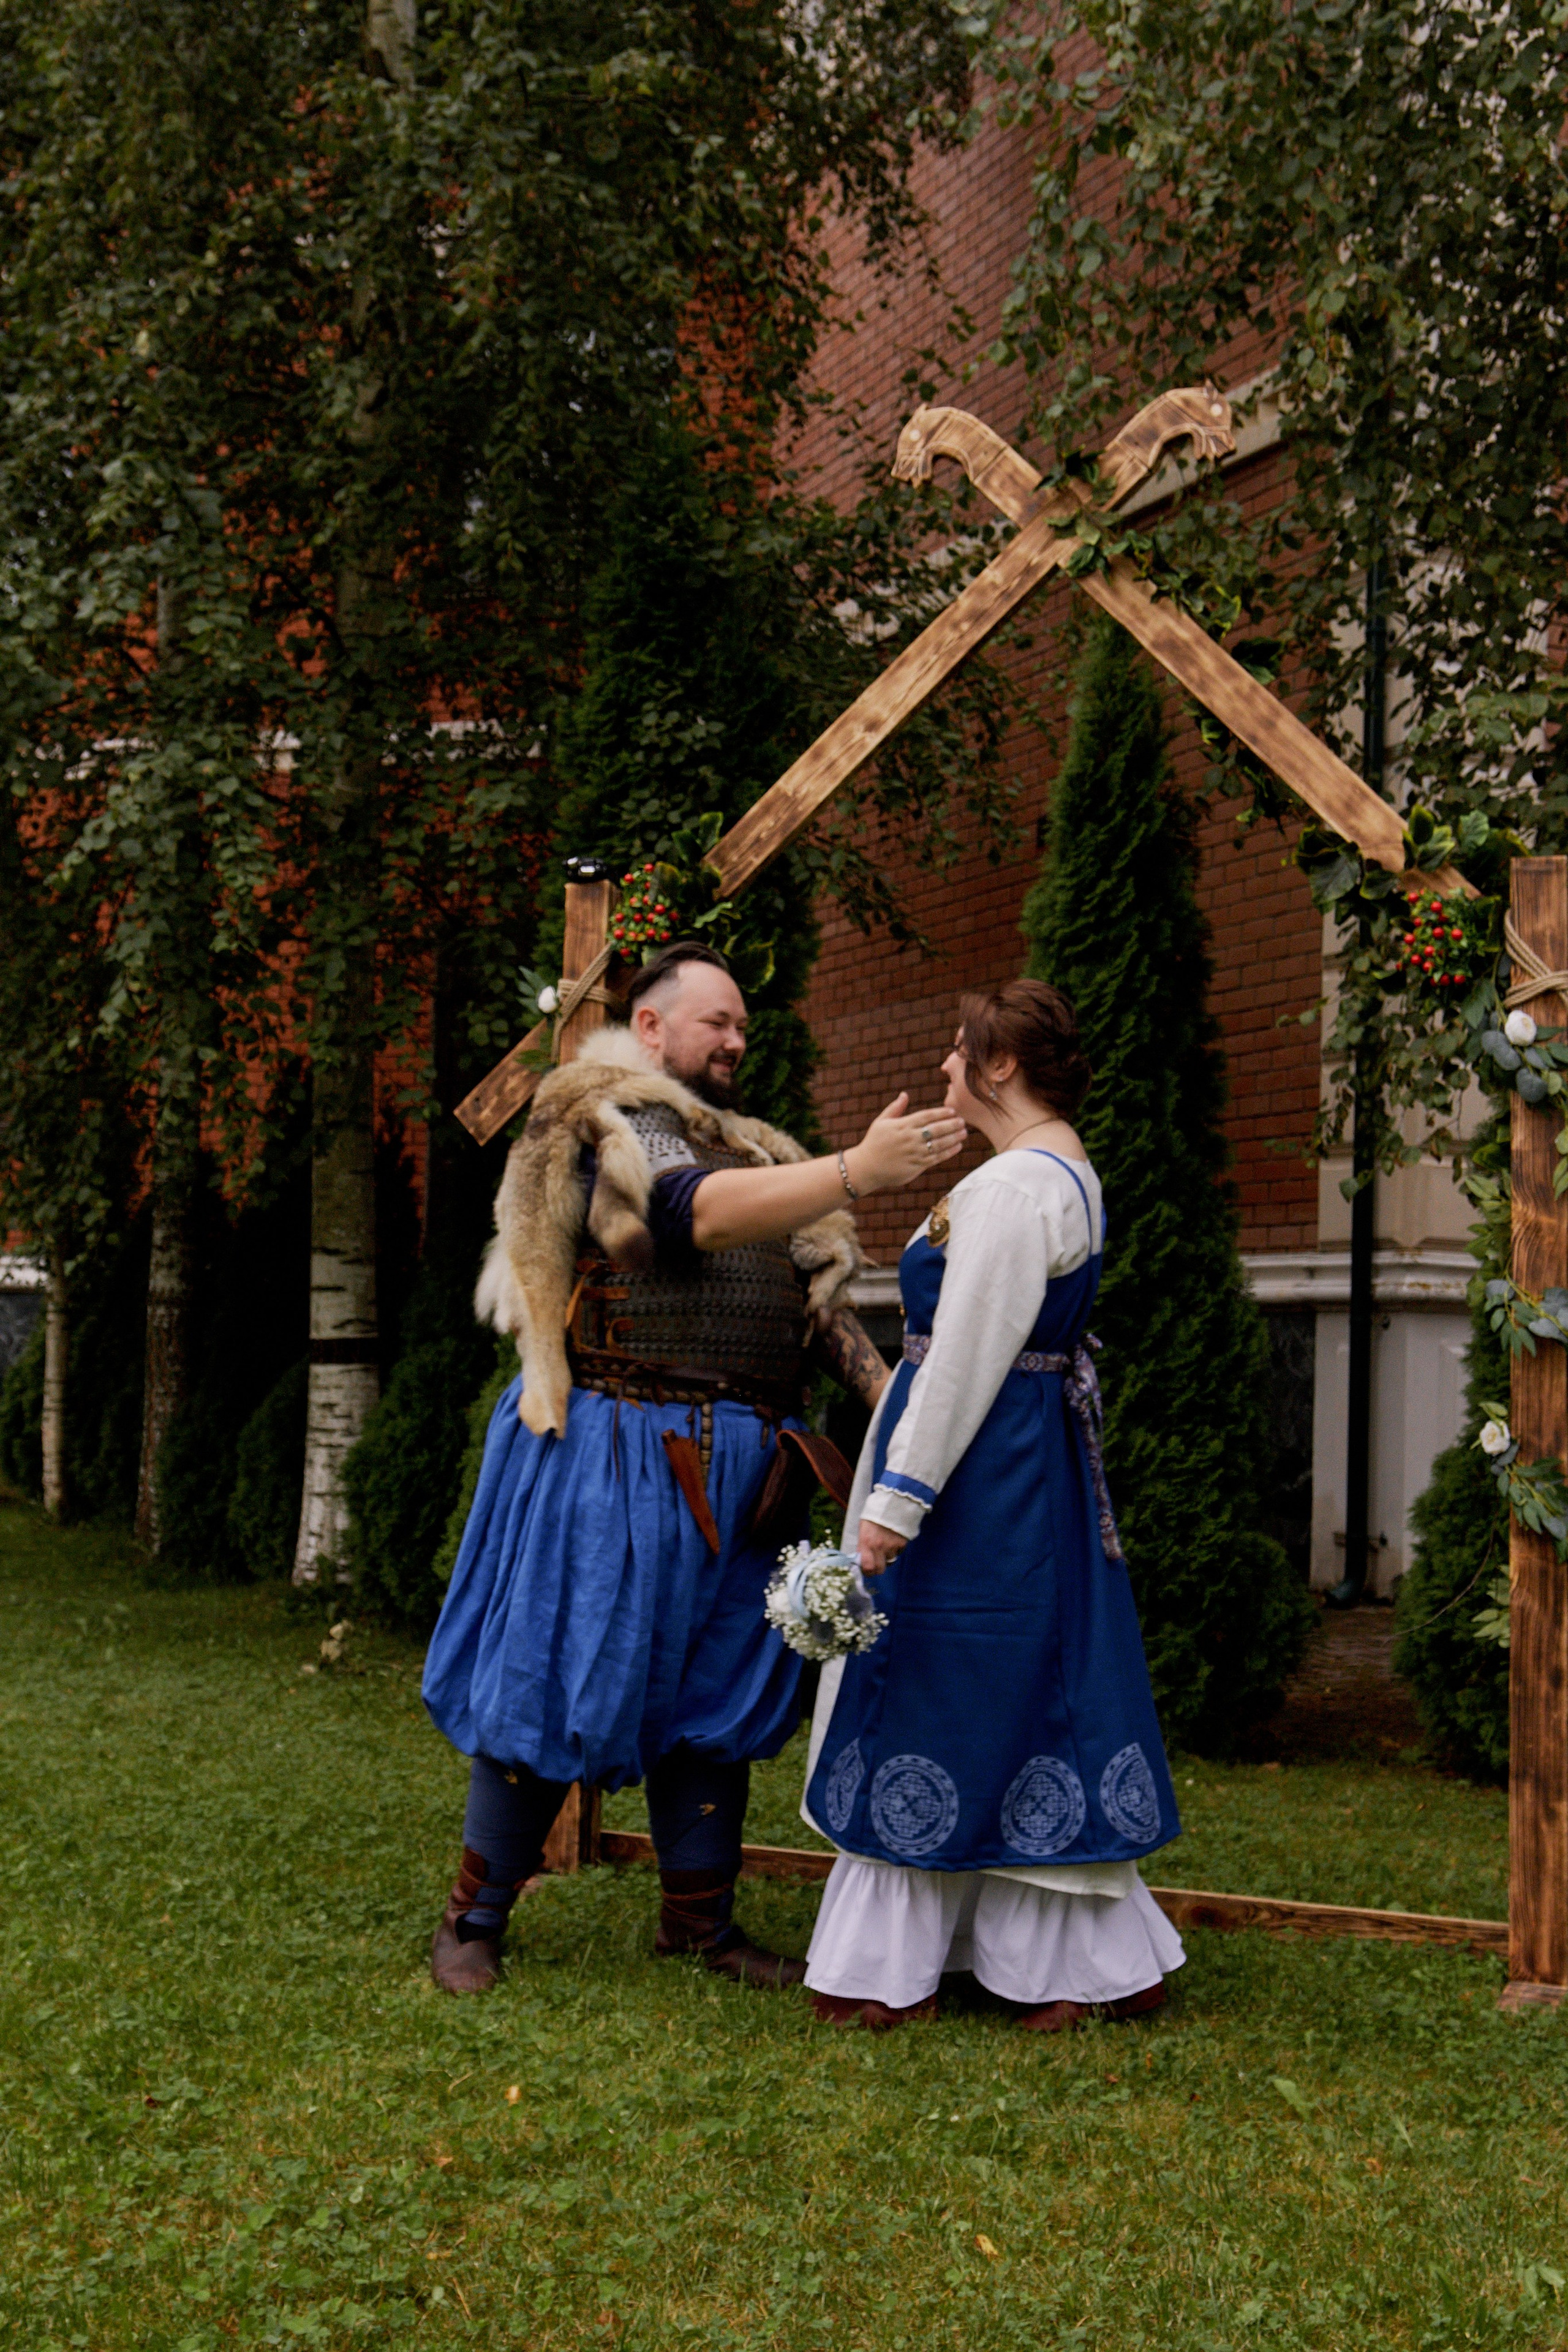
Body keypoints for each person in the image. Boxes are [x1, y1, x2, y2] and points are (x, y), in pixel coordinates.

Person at [423, 939, 965, 1994]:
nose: (735, 1041)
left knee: (718, 1692)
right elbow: (685, 1215)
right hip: (613, 1451)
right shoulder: (601, 1120)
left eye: (744, 1028)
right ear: (654, 1027)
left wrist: (913, 1420)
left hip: (746, 1470)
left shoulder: (762, 1156)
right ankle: (473, 1921)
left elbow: (820, 1321)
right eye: (716, 1020)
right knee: (555, 1673)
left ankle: (700, 1926)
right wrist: (859, 1170)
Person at [799, 978, 1186, 2032]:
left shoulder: (1018, 1188)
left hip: (984, 1486)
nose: (943, 1067)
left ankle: (906, 1973)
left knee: (942, 1685)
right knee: (1015, 1689)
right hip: (1019, 1468)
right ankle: (1066, 1965)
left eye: (957, 1048)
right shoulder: (1052, 1169)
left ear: (1000, 1066)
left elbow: (966, 1357)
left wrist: (896, 1502)